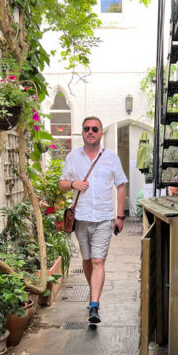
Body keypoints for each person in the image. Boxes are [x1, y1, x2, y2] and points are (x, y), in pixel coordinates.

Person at [59, 116, 127, 324]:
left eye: (94, 129)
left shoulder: (111, 158)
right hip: (81, 218)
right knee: (87, 259)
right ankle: (94, 292)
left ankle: (94, 305)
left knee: (98, 260)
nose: (90, 131)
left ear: (100, 133)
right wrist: (73, 184)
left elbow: (121, 185)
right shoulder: (73, 157)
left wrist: (120, 215)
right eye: (87, 128)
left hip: (104, 218)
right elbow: (61, 183)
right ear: (83, 132)